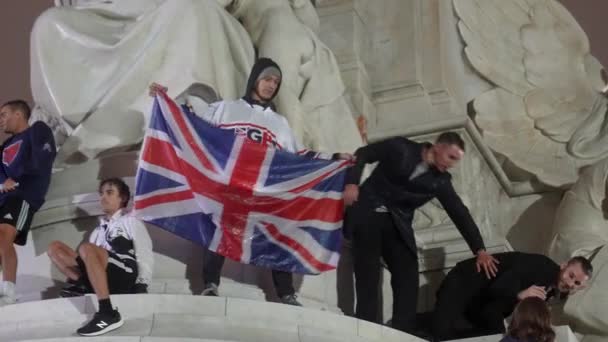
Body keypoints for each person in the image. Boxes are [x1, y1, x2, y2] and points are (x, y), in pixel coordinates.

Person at [149, 57, 350, 306]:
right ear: (255, 78)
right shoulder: (226, 108)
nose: (271, 85)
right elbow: (193, 125)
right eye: (267, 79)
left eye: (276, 82)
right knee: (217, 228)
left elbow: (297, 156)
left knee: (280, 231)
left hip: (264, 192)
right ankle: (210, 284)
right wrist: (167, 101)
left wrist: (333, 158)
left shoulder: (280, 123)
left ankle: (286, 293)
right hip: (228, 187)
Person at [342, 132, 498, 334]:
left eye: (456, 160)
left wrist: (480, 249)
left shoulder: (440, 181)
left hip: (397, 224)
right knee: (368, 276)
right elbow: (363, 153)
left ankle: (402, 334)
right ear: (437, 147)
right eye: (451, 157)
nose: (452, 164)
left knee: (408, 276)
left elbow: (459, 212)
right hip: (367, 214)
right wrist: (352, 183)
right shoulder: (401, 148)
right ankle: (366, 330)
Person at [46, 178, 154, 336]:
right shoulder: (97, 232)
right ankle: (82, 285)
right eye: (101, 193)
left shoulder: (131, 221)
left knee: (86, 248)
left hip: (125, 273)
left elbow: (144, 251)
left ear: (122, 198)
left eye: (109, 193)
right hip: (104, 273)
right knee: (55, 247)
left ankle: (107, 312)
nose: (103, 197)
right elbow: (88, 259)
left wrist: (142, 283)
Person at [432, 252, 592, 341]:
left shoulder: (551, 290)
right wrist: (520, 294)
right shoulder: (541, 267)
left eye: (577, 284)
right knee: (441, 335)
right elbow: (498, 287)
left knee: (494, 333)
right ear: (563, 265)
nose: (571, 284)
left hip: (481, 303)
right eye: (571, 276)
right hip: (463, 282)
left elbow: (498, 307)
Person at [0, 100, 56, 305]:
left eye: (4, 114)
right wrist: (2, 182)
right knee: (2, 241)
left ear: (18, 114)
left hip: (23, 195)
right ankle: (7, 290)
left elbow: (44, 157)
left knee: (3, 236)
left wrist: (21, 179)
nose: (1, 120)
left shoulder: (37, 130)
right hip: (3, 197)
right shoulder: (5, 145)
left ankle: (8, 292)